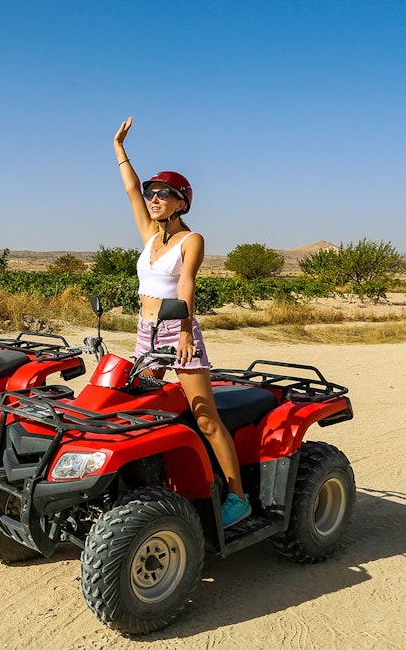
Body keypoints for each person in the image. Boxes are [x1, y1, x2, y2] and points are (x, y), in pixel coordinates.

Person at [113, 115, 250, 528]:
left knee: (205, 416)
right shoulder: (150, 235)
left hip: (178, 330)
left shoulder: (192, 240)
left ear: (181, 202)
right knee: (139, 403)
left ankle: (237, 497)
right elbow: (130, 191)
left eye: (163, 195)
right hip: (145, 333)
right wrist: (119, 148)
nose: (153, 199)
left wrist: (187, 333)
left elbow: (186, 285)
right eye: (153, 193)